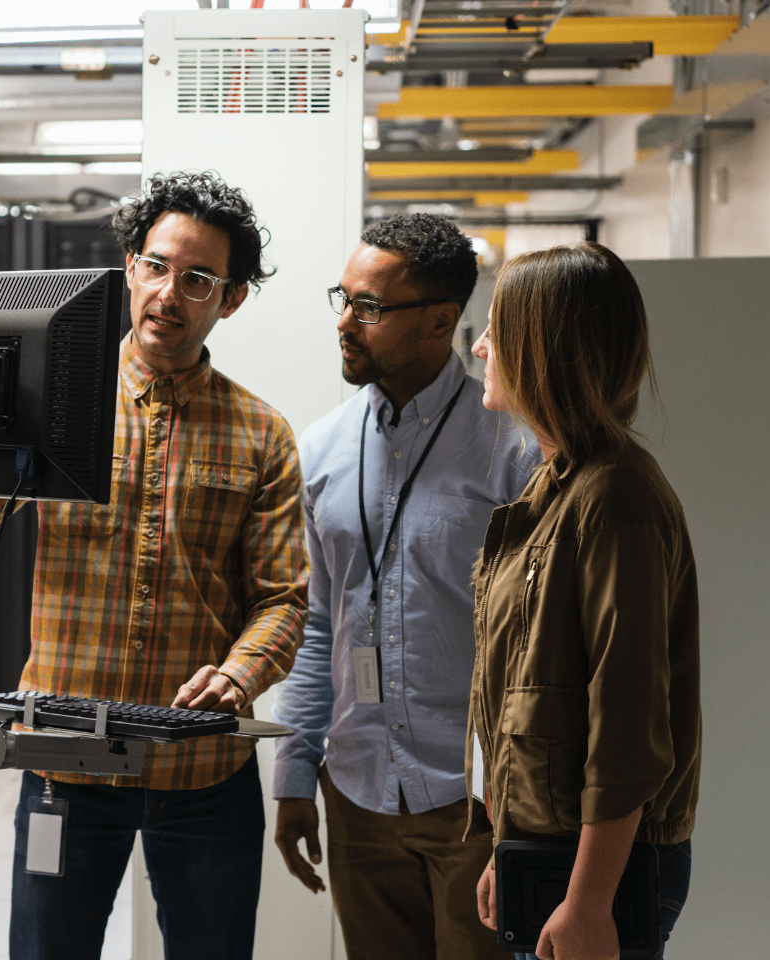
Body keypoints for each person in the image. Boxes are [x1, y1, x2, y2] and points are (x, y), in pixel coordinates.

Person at [0, 171, 309, 960]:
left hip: (203, 770)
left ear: (232, 298)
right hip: (63, 763)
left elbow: (284, 599)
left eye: (198, 279)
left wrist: (242, 674)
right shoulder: (54, 400)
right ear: (129, 266)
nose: (168, 294)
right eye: (154, 266)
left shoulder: (262, 434)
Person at [272, 213, 540, 960]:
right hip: (357, 795)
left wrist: (517, 806)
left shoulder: (515, 448)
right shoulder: (322, 449)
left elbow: (533, 646)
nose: (344, 323)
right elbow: (321, 624)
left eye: (370, 307)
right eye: (343, 298)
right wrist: (295, 775)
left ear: (440, 322)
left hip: (477, 804)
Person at [467, 241, 701, 960]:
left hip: (601, 868)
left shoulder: (613, 498)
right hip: (549, 852)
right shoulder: (556, 486)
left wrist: (589, 899)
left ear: (544, 351)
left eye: (497, 333)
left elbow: (627, 725)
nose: (479, 349)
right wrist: (506, 849)